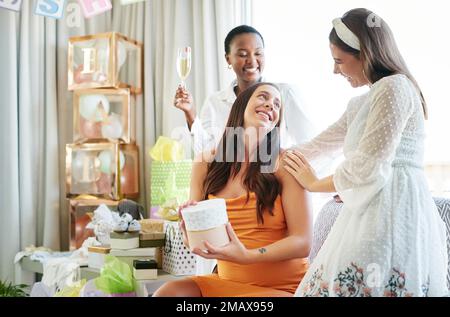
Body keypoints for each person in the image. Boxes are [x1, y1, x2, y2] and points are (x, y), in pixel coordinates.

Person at [282, 8, 448, 297]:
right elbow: (317, 147)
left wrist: (314, 184)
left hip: (393, 208)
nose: (335, 70)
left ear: (365, 54)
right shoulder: (361, 103)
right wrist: (262, 157)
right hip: (367, 208)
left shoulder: (395, 87)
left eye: (339, 61)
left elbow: (367, 165)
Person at [154, 83, 313, 297]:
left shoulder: (286, 164)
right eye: (263, 97)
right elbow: (196, 239)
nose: (271, 105)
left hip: (282, 288)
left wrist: (248, 255)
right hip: (225, 282)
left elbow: (302, 242)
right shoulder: (205, 163)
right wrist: (188, 232)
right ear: (241, 105)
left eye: (277, 104)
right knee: (168, 293)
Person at [174, 25, 315, 156]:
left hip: (273, 179)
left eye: (258, 53)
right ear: (228, 59)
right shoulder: (215, 102)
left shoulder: (285, 94)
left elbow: (309, 145)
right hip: (231, 181)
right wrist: (190, 114)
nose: (252, 61)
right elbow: (207, 153)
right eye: (242, 54)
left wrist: (279, 162)